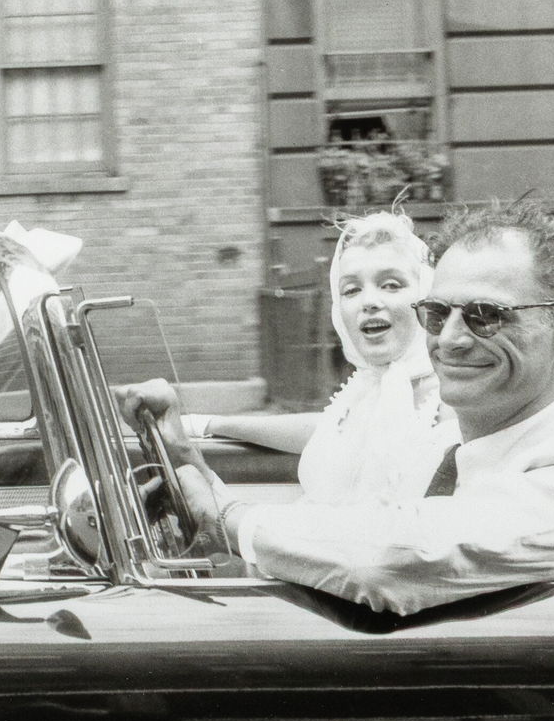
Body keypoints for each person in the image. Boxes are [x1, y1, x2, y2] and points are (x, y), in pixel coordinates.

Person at [122, 198, 554, 616]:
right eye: (437, 313)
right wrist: (187, 461)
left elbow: (390, 556)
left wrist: (228, 519)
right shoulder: (443, 449)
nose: (450, 339)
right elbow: (339, 531)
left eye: (487, 315)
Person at [185, 209, 458, 504]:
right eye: (351, 290)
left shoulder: (454, 401)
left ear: (426, 297)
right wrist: (211, 424)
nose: (368, 302)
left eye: (390, 285)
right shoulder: (366, 389)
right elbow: (328, 429)